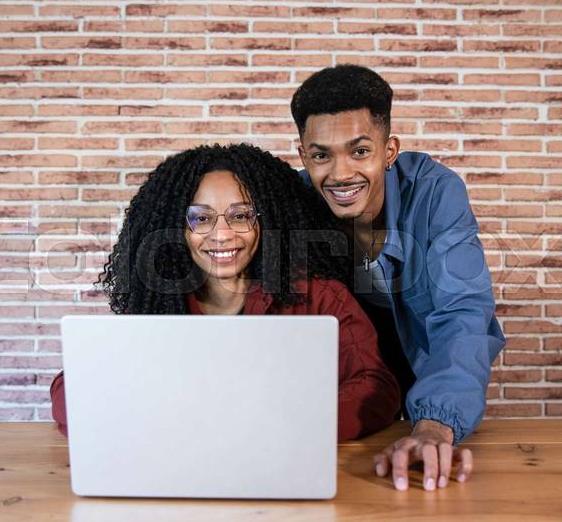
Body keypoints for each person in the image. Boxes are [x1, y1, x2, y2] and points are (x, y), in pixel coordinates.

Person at [50, 143, 401, 441]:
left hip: (277, 458)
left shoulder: (320, 297)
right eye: (201, 218)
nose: (221, 235)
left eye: (240, 216)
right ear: (179, 228)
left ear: (265, 221)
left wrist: (289, 424)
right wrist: (156, 421)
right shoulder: (157, 303)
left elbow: (377, 388)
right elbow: (70, 390)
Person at [291, 65, 507, 492]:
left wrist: (435, 424)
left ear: (389, 151)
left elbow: (462, 312)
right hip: (348, 385)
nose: (340, 174)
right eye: (321, 156)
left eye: (359, 151)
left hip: (427, 367)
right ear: (303, 157)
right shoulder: (292, 202)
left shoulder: (436, 194)